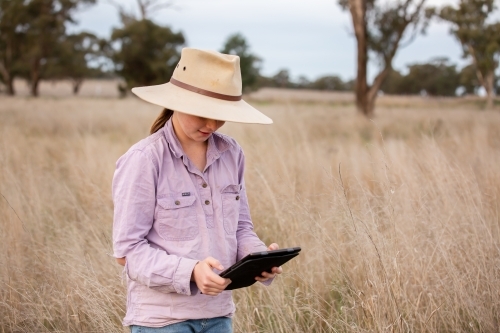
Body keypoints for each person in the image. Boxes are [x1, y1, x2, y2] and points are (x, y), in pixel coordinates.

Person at [112, 48, 282, 333]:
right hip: (161, 321)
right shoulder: (144, 159)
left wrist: (259, 258)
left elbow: (240, 227)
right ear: (176, 102)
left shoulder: (232, 153)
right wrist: (190, 271)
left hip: (219, 316)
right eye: (203, 113)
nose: (212, 125)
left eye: (221, 115)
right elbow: (127, 252)